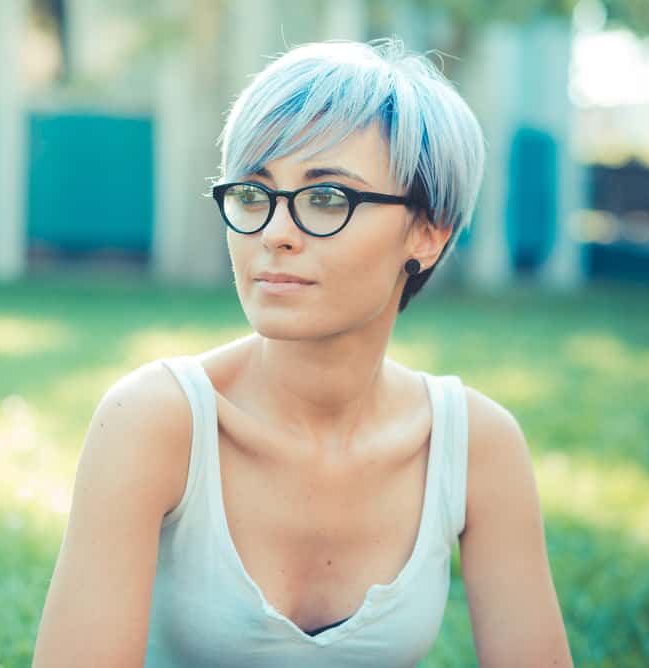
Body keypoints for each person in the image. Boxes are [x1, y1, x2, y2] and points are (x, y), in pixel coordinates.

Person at [32, 39, 573, 667]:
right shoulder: (154, 420)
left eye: (326, 199)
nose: (274, 233)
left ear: (428, 232)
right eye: (254, 194)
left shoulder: (477, 445)